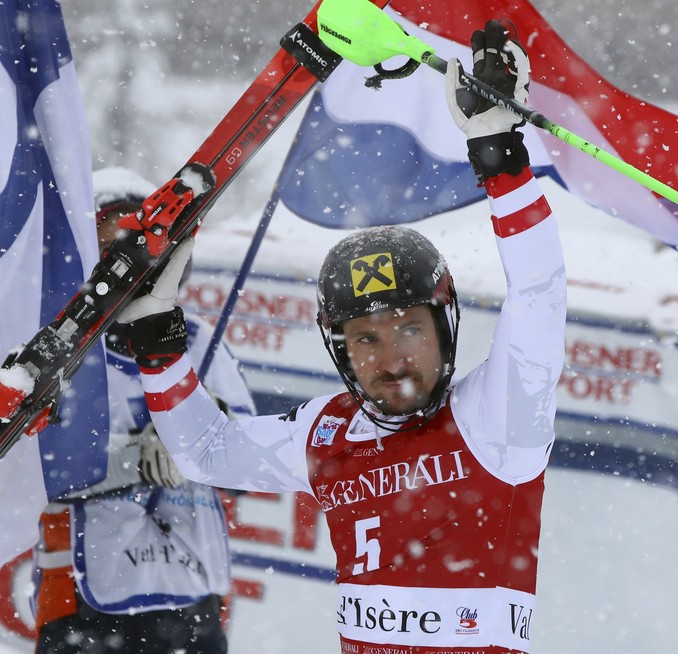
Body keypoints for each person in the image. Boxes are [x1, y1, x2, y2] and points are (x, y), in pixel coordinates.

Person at [119, 21, 566, 654]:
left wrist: (499, 156)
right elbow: (205, 452)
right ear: (339, 351)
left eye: (410, 328)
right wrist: (157, 342)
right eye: (366, 339)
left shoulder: (498, 416)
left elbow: (540, 296)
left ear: (447, 329)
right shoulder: (330, 432)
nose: (393, 358)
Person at [30, 168, 256, 654]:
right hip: (82, 594)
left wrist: (209, 430)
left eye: (142, 249)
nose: (130, 268)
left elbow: (250, 463)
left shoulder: (196, 340)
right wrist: (138, 457)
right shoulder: (57, 348)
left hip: (188, 591)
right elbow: (39, 472)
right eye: (113, 251)